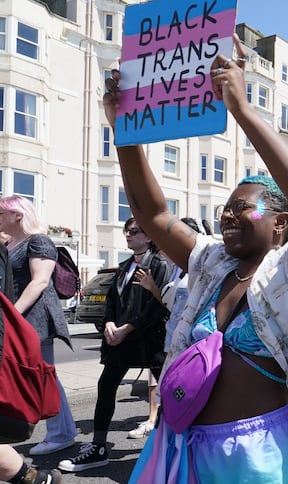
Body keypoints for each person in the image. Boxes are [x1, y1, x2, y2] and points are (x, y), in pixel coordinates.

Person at [110, 37, 288, 482]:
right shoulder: (212, 263)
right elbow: (153, 215)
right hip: (188, 448)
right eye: (226, 208)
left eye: (245, 208)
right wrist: (125, 129)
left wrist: (241, 107)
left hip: (261, 457)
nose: (230, 214)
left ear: (280, 224)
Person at [56, 218, 169, 472]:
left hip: (150, 340)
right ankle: (98, 446)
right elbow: (112, 303)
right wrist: (108, 323)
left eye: (134, 231)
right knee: (106, 385)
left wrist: (128, 328)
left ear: (149, 236)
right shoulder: (124, 266)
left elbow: (157, 306)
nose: (128, 235)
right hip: (121, 340)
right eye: (126, 231)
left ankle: (165, 448)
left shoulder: (159, 264)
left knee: (166, 393)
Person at [0, 196, 77, 457]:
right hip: (19, 318)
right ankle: (58, 432)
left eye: (1, 212)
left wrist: (12, 315)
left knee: (44, 375)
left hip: (34, 319)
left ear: (18, 215)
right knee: (42, 375)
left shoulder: (39, 241)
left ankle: (61, 434)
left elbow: (40, 282)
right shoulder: (11, 244)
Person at [125, 217, 204, 440]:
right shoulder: (175, 270)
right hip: (173, 342)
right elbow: (171, 306)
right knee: (172, 398)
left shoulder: (199, 269)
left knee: (188, 400)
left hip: (192, 347)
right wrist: (152, 289)